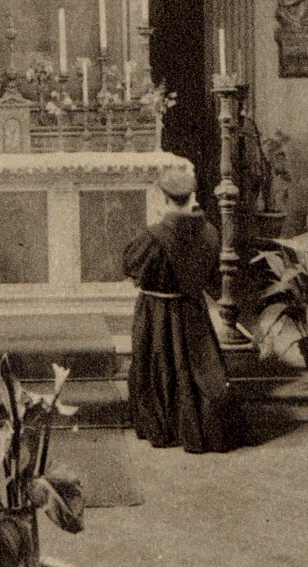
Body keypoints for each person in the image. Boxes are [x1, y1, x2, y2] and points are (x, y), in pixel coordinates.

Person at [124, 167, 252, 453]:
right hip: (193, 310)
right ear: (192, 196)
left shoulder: (153, 236)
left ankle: (166, 424)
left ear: (163, 197)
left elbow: (132, 268)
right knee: (197, 366)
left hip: (157, 313)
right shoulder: (210, 232)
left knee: (161, 366)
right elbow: (210, 275)